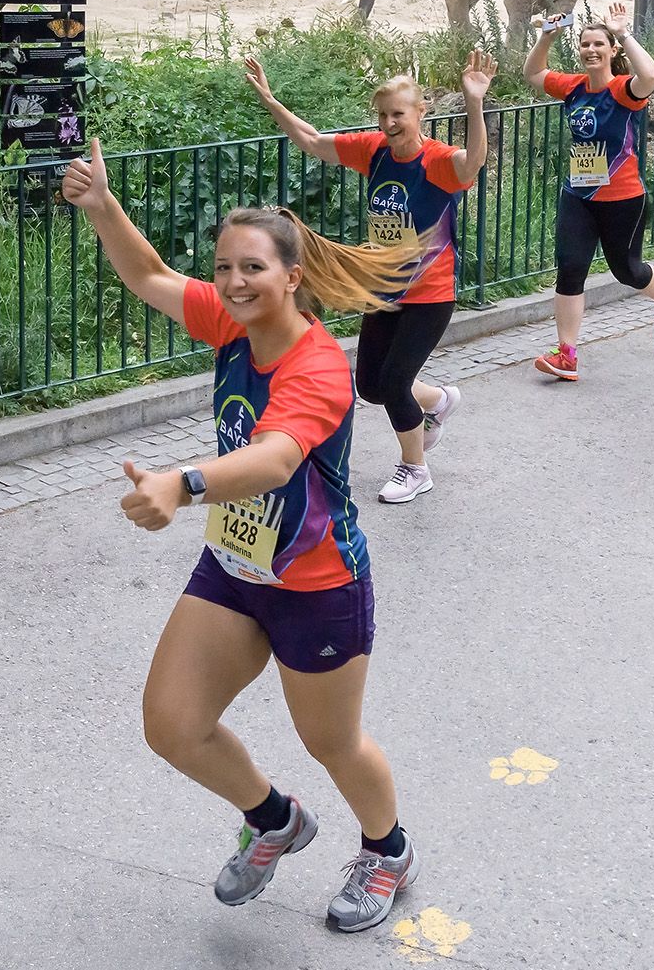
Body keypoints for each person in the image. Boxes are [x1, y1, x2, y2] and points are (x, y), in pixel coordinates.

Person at [60, 139, 425, 934]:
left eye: (250, 268)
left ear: (291, 276)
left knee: (333, 740)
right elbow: (152, 275)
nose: (231, 282)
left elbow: (275, 457)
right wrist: (101, 207)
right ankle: (273, 819)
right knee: (172, 723)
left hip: (319, 581)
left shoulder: (319, 364)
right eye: (224, 267)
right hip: (235, 565)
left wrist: (184, 481)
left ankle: (388, 849)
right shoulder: (230, 324)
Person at [243, 51, 495, 504]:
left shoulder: (435, 161)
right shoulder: (374, 152)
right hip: (383, 289)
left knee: (395, 382)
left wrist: (474, 103)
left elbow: (472, 162)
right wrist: (270, 99)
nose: (388, 122)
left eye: (397, 114)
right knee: (371, 384)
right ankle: (437, 402)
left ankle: (415, 468)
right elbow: (312, 140)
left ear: (420, 112)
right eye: (382, 114)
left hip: (429, 294)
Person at [525, 6, 654, 380]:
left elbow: (650, 75)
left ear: (612, 51)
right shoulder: (573, 87)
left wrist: (624, 32)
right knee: (570, 269)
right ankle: (566, 354)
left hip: (622, 198)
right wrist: (547, 35)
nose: (591, 50)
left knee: (627, 270)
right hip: (578, 195)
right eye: (585, 44)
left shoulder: (623, 90)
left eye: (599, 43)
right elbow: (533, 73)